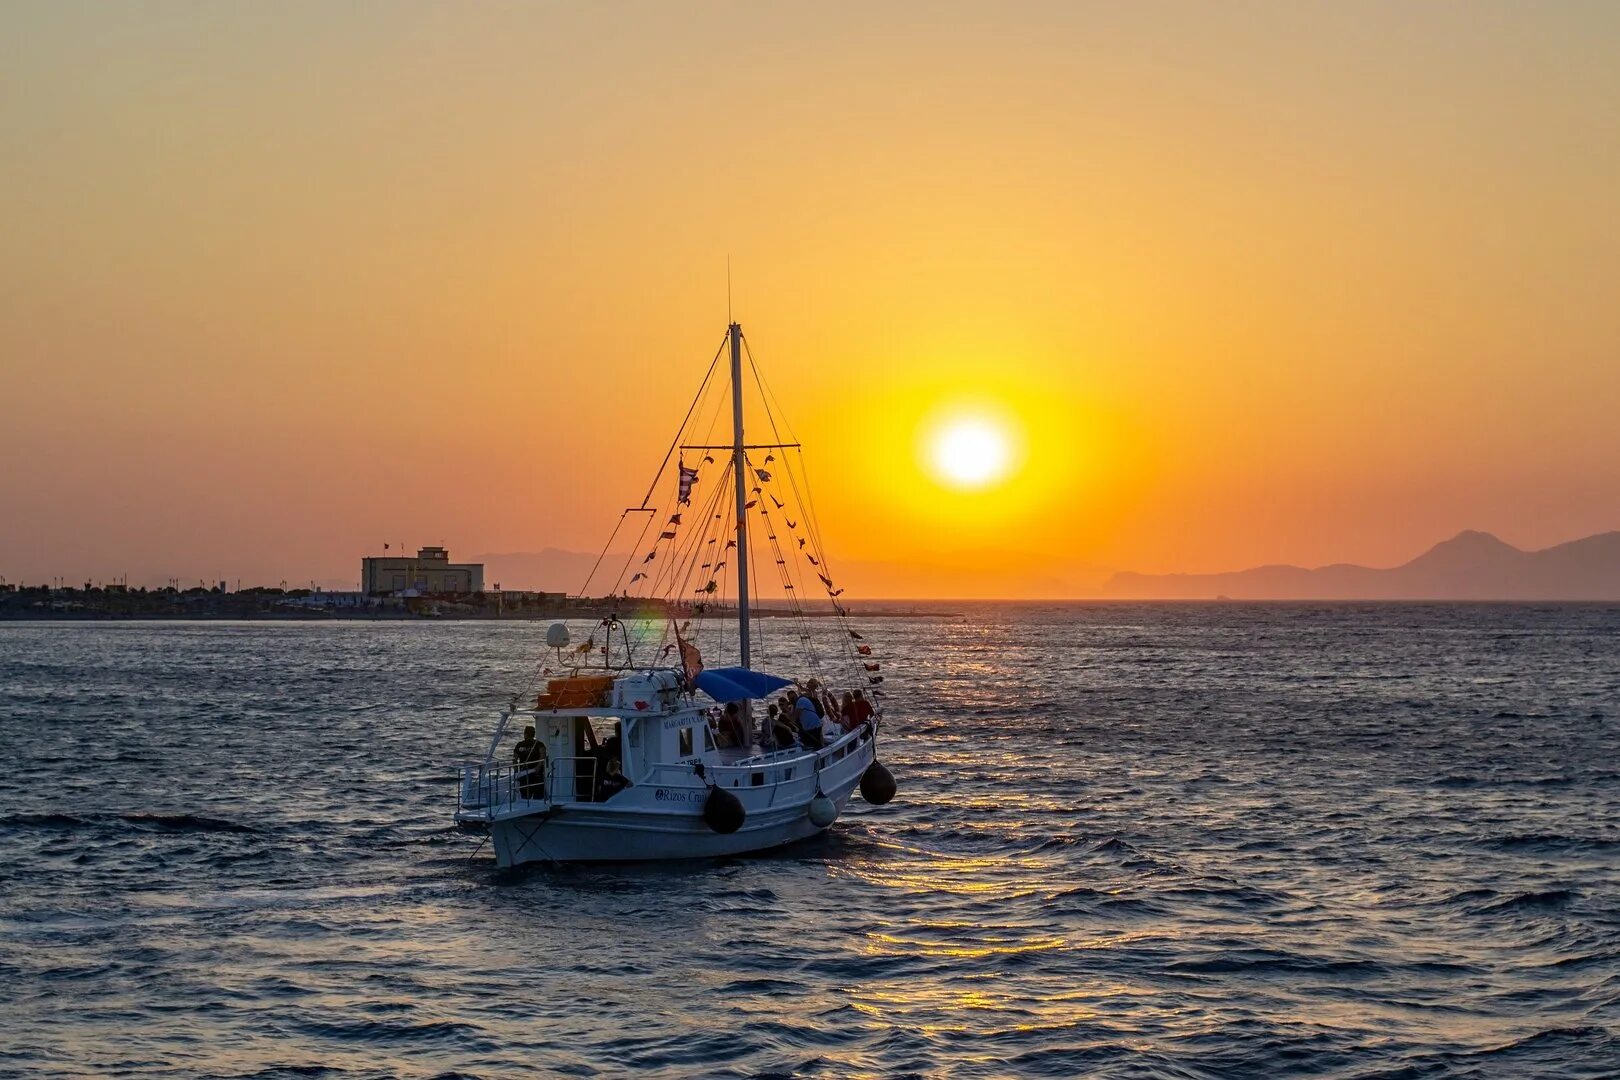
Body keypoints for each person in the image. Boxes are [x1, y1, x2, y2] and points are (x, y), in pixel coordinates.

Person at [512, 724, 547, 799]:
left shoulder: (519, 745)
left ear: (525, 734)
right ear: (534, 734)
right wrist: (538, 767)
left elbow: (514, 759)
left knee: (525, 795)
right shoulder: (539, 744)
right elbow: (543, 756)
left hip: (524, 773)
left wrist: (516, 771)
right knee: (538, 795)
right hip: (536, 773)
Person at [795, 683, 825, 750]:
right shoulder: (807, 699)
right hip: (816, 722)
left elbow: (796, 716)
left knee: (814, 744)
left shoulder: (800, 701)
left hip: (812, 727)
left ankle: (820, 756)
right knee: (819, 741)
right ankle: (822, 751)